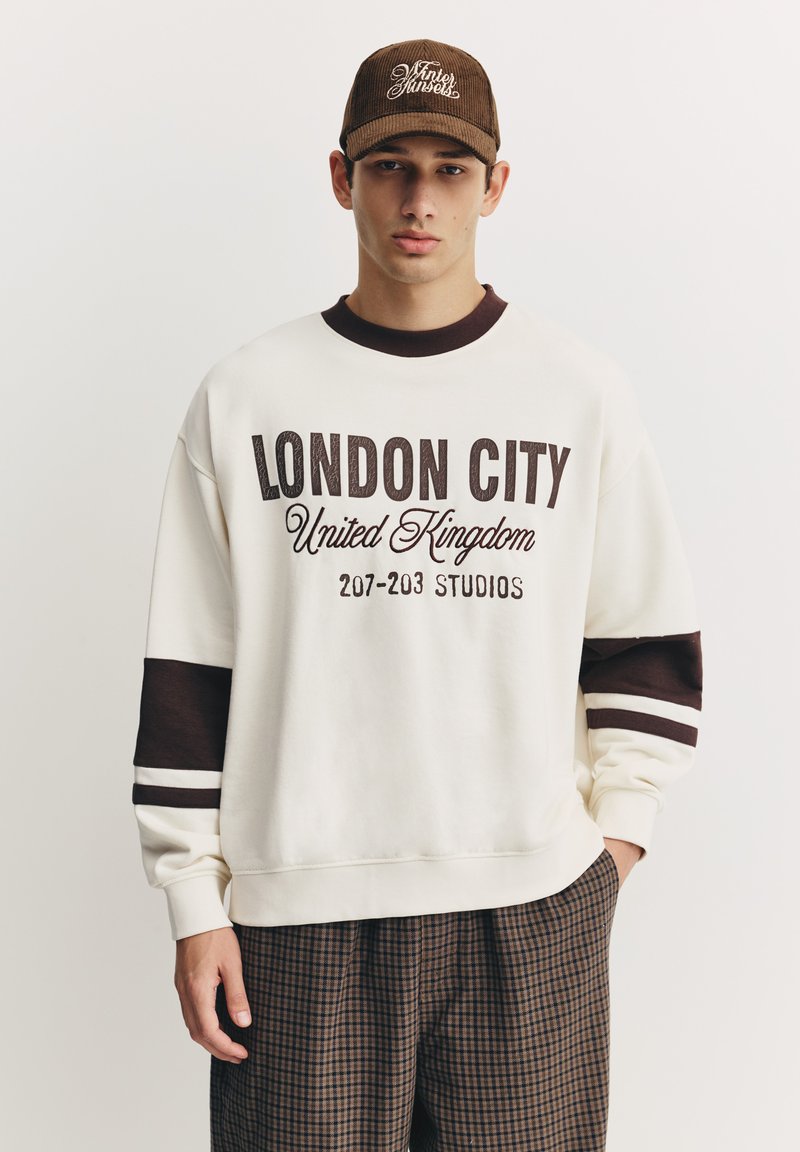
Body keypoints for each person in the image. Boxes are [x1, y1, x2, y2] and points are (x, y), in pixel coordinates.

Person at [132, 38, 702, 1152]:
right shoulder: (247, 397)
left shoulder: (576, 393)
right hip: (297, 915)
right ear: (340, 177)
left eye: (450, 169)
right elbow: (192, 666)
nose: (419, 199)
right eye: (390, 165)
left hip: (527, 909)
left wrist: (611, 849)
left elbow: (643, 638)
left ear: (496, 185)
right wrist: (194, 900)